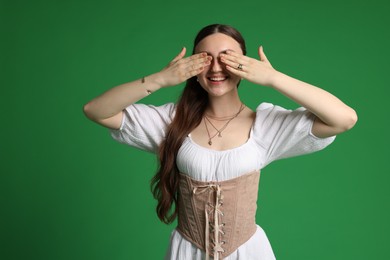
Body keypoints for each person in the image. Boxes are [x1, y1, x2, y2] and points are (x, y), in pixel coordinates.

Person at [83, 24, 357, 260]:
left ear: (246, 65)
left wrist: (274, 78)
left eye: (227, 58)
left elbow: (343, 119)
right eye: (205, 58)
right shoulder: (171, 122)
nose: (216, 68)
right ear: (192, 66)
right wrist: (159, 79)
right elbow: (95, 110)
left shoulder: (265, 125)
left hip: (248, 252)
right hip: (187, 251)